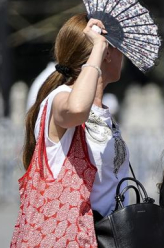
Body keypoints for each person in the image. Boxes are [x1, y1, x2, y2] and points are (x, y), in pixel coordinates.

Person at [11, 14, 129, 247]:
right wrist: (98, 47)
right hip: (67, 238)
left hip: (102, 236)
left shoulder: (104, 113)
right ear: (105, 52)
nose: (123, 55)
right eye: (119, 48)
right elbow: (77, 109)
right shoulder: (60, 99)